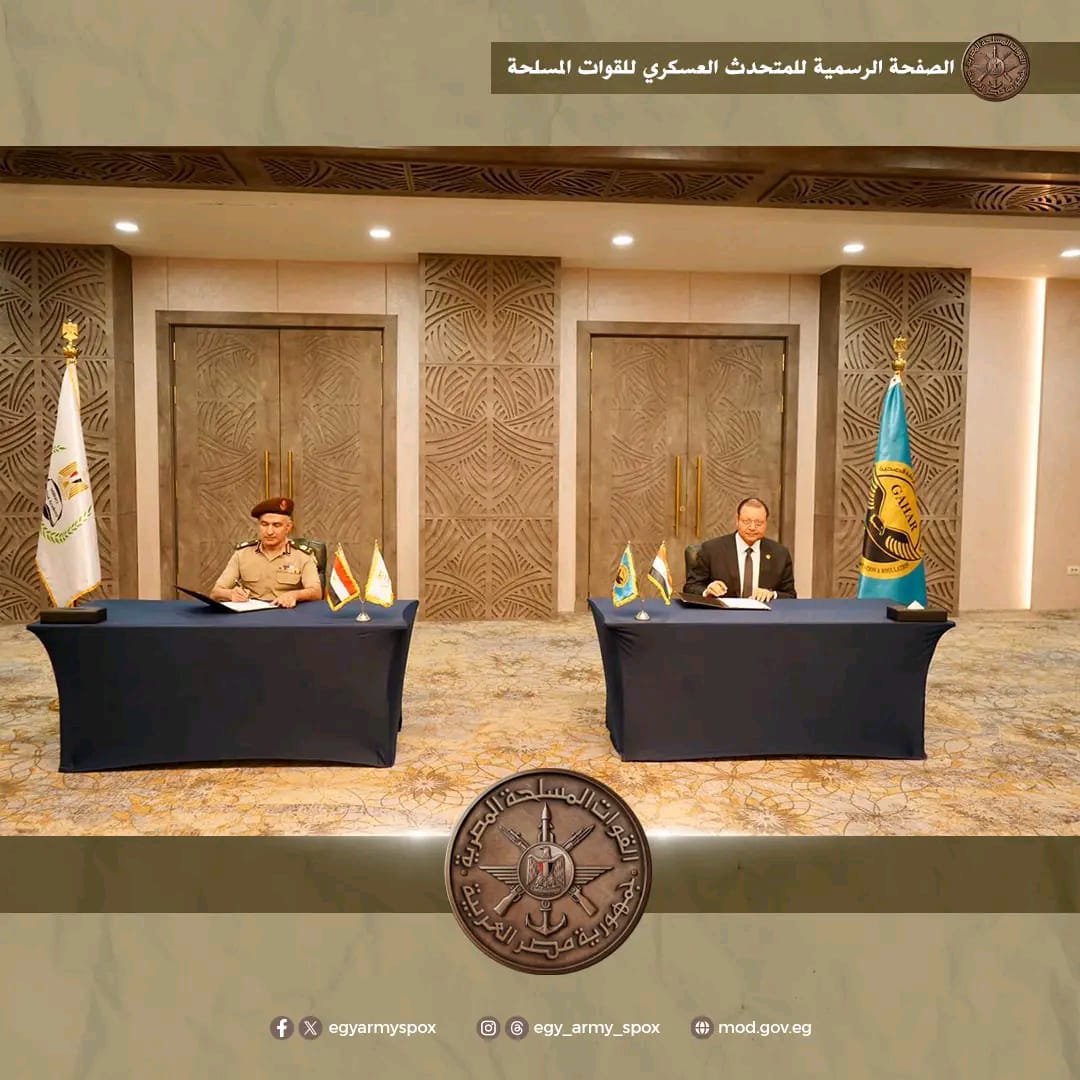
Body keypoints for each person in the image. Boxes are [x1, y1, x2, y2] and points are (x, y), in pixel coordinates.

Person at [210, 497, 322, 608]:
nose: (269, 531)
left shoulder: (302, 555)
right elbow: (215, 592)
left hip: (286, 612)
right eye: (264, 524)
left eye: (276, 525)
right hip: (251, 613)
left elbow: (316, 592)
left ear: (288, 527)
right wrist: (231, 594)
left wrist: (294, 595)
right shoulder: (242, 554)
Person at [683, 497, 796, 602]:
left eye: (758, 523)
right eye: (747, 522)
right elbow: (690, 587)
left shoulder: (780, 554)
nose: (752, 528)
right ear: (737, 520)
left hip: (764, 614)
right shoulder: (712, 550)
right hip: (722, 614)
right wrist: (707, 591)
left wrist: (772, 594)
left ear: (766, 523)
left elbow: (790, 595)